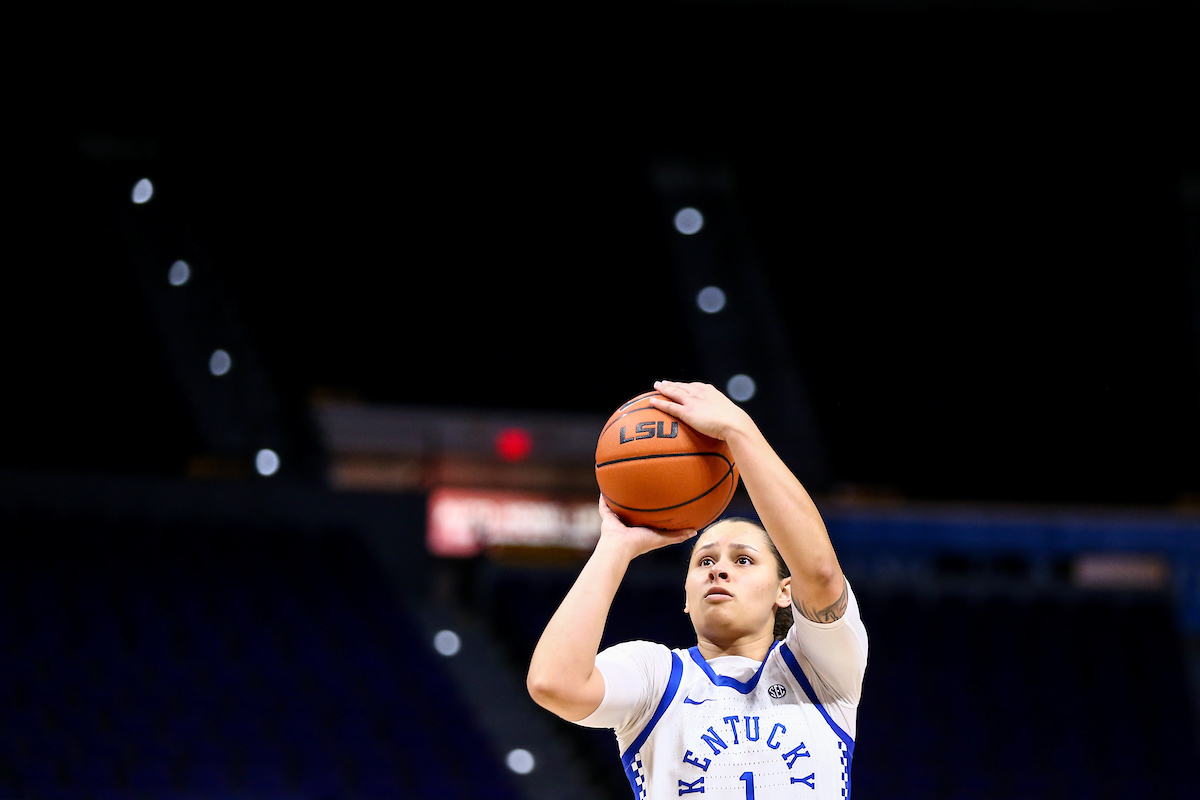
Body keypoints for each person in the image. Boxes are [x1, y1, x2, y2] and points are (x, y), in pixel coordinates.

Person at [527, 380, 868, 799]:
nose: (718, 571)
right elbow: (552, 683)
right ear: (686, 598)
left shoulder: (819, 669)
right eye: (705, 561)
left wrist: (739, 431)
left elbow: (820, 575)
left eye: (742, 560)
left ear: (785, 591)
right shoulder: (655, 676)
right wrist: (614, 547)